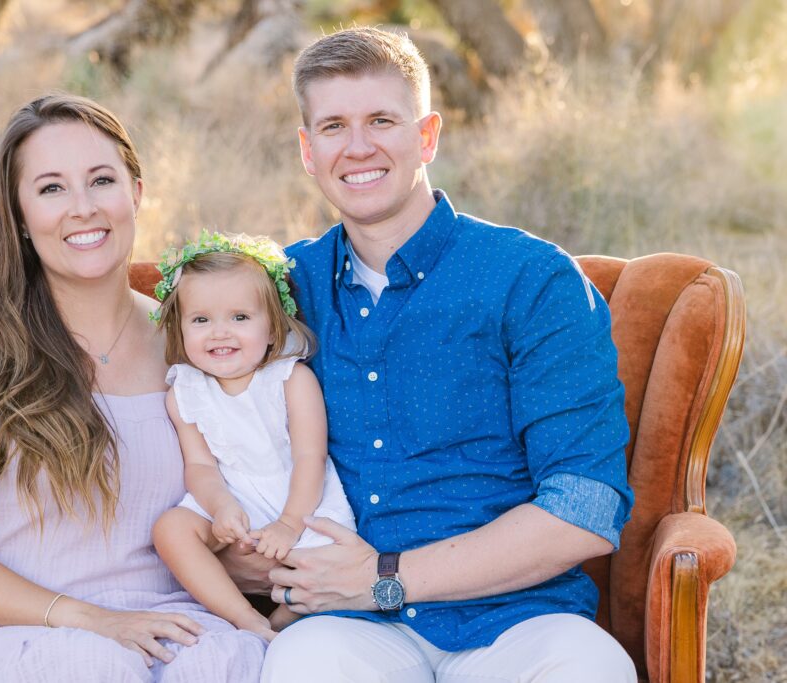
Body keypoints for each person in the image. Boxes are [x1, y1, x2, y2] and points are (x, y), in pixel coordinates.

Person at [228, 27, 639, 682]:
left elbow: (584, 508)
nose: (358, 146)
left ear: (427, 135)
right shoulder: (279, 288)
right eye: (333, 126)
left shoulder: (531, 279)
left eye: (382, 120)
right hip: (345, 628)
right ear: (308, 150)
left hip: (519, 621)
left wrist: (386, 578)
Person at [0, 94, 265, 682]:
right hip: (17, 633)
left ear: (136, 193)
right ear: (19, 215)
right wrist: (92, 622)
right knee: (92, 667)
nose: (83, 208)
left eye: (102, 180)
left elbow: (241, 491)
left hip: (175, 628)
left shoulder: (194, 346)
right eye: (52, 189)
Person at [150, 232, 357, 642]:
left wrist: (288, 524)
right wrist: (220, 505)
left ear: (272, 327)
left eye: (240, 317)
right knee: (171, 529)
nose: (220, 333)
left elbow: (310, 458)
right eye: (201, 320)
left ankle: (279, 624)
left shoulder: (289, 379)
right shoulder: (185, 391)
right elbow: (200, 465)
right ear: (181, 327)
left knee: (329, 565)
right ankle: (244, 618)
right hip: (236, 495)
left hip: (299, 496)